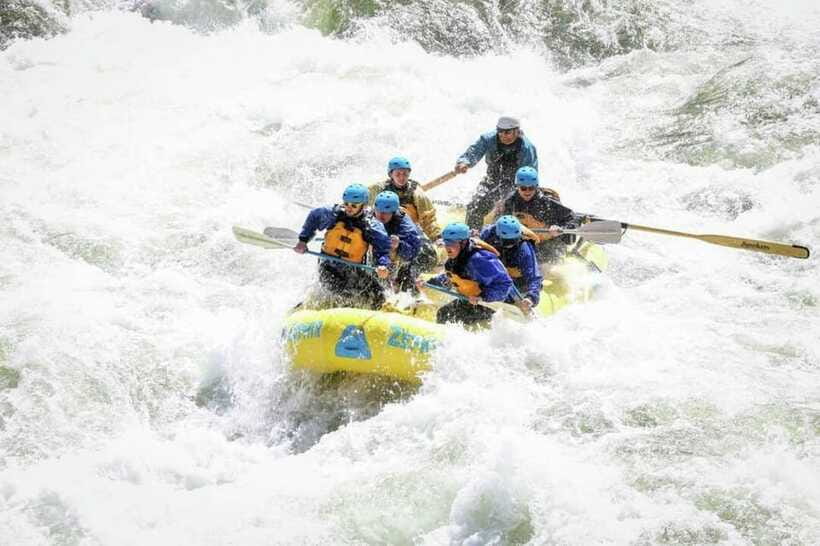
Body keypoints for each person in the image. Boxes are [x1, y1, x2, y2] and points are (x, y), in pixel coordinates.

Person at [294, 184, 392, 310]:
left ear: (364, 206)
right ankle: (314, 305)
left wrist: (382, 264)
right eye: (346, 204)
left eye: (354, 205)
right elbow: (314, 216)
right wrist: (303, 240)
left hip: (353, 270)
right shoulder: (333, 214)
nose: (349, 208)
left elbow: (383, 249)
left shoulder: (372, 226)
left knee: (377, 292)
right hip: (328, 268)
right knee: (346, 293)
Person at [419, 222, 513, 325]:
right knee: (443, 314)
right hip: (470, 299)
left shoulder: (479, 260)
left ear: (463, 243)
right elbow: (450, 278)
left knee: (444, 315)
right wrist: (429, 284)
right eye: (446, 243)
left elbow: (505, 284)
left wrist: (483, 297)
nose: (447, 247)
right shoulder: (455, 258)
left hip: (489, 303)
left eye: (451, 243)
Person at [454, 117, 538, 230]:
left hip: (516, 185)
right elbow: (474, 151)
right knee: (475, 207)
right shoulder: (488, 139)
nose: (503, 135)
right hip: (492, 179)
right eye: (500, 131)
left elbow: (530, 177)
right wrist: (464, 162)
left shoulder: (527, 148)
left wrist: (506, 200)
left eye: (507, 132)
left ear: (517, 132)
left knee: (503, 214)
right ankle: (471, 240)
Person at [486, 166, 578, 267]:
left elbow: (571, 218)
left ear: (536, 186)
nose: (527, 191)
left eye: (531, 188)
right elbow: (499, 224)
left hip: (549, 242)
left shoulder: (547, 202)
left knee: (545, 261)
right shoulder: (510, 201)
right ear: (517, 187)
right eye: (523, 188)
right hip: (526, 240)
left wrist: (561, 229)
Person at [368, 156, 443, 242]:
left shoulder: (417, 193)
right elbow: (359, 199)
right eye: (398, 174)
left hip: (407, 230)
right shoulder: (379, 188)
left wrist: (437, 238)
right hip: (382, 227)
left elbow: (428, 219)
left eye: (405, 174)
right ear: (391, 175)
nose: (402, 177)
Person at [479, 215, 543, 314]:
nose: (510, 244)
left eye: (513, 241)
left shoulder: (524, 247)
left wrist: (531, 298)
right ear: (497, 234)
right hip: (497, 272)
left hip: (517, 275)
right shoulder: (487, 234)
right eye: (507, 241)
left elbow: (534, 277)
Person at [371, 191, 425, 292]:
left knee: (393, 250)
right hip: (384, 255)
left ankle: (401, 286)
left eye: (386, 212)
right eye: (378, 211)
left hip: (415, 253)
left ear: (393, 212)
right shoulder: (369, 215)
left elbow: (414, 252)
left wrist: (399, 245)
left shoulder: (405, 225)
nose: (381, 215)